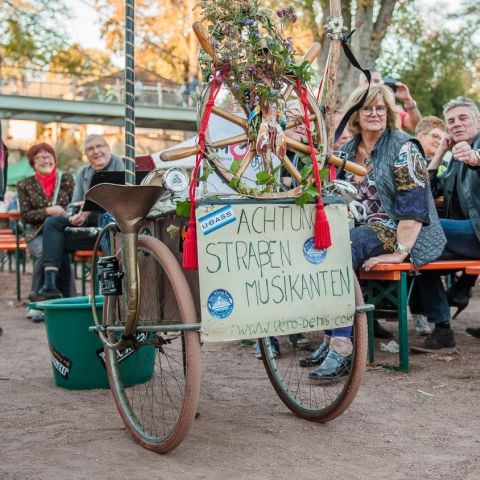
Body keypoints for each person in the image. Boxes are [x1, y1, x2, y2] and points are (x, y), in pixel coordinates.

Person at [301, 84, 445, 381]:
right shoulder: (347, 149)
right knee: (313, 247)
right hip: (355, 225)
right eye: (367, 108)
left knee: (344, 248)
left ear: (390, 113)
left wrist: (400, 252)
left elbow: (414, 208)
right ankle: (330, 337)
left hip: (394, 228)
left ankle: (342, 346)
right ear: (356, 113)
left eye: (381, 108)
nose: (375, 113)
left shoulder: (404, 147)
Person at [415, 96, 480, 345]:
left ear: (478, 120)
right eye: (451, 121)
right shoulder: (452, 156)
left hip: (476, 232)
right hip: (465, 236)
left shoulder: (470, 151)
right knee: (418, 253)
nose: (456, 124)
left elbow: (477, 158)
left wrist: (474, 157)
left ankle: (462, 287)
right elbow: (426, 194)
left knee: (418, 230)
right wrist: (441, 151)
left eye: (463, 118)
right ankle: (442, 327)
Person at [28, 134, 124, 301]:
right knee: (54, 227)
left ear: (108, 148)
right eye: (90, 149)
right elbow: (75, 203)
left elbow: (118, 199)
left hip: (113, 230)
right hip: (91, 229)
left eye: (100, 146)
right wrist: (77, 214)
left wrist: (88, 207)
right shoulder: (84, 172)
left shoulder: (120, 164)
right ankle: (50, 286)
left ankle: (103, 297)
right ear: (86, 154)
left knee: (105, 218)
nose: (96, 151)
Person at [18, 143, 75, 319]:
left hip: (62, 230)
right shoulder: (25, 185)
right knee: (45, 252)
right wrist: (48, 211)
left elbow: (74, 204)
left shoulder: (66, 179)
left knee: (61, 251)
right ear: (32, 163)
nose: (45, 159)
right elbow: (25, 216)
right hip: (36, 233)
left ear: (55, 159)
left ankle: (68, 302)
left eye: (49, 155)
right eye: (40, 157)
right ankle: (36, 303)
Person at [408, 116, 448, 335]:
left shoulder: (444, 163)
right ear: (419, 136)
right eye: (434, 136)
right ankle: (431, 316)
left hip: (433, 224)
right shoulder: (409, 158)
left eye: (442, 138)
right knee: (420, 245)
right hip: (412, 224)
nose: (438, 142)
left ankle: (434, 316)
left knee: (422, 245)